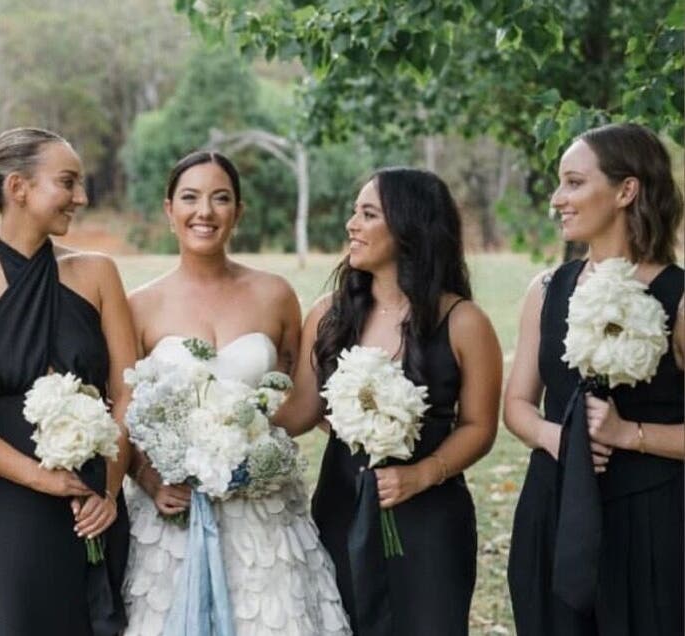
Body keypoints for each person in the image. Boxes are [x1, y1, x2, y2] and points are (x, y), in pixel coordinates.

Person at [121, 150, 352, 636]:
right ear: (168, 210)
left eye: (220, 198)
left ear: (238, 212)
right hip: (175, 512)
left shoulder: (276, 294)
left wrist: (257, 452)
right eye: (190, 198)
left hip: (262, 510)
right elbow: (126, 410)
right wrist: (148, 479)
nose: (204, 212)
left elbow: (292, 401)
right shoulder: (139, 305)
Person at [277, 167, 502, 636]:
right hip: (342, 502)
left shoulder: (464, 322)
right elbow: (301, 411)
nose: (351, 225)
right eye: (354, 212)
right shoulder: (328, 316)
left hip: (431, 518)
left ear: (409, 226)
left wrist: (423, 473)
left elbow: (479, 426)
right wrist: (232, 410)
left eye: (368, 213)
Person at [0, 127, 134, 636]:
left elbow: (127, 390)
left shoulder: (98, 274)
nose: (82, 198)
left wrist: (107, 491)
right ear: (19, 187)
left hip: (97, 500)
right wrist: (40, 478)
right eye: (68, 183)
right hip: (11, 507)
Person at [504, 123, 683, 636]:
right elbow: (516, 404)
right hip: (551, 511)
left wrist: (631, 435)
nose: (558, 198)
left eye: (574, 183)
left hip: (648, 523)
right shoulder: (545, 290)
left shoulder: (679, 298)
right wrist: (556, 437)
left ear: (626, 190)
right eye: (560, 184)